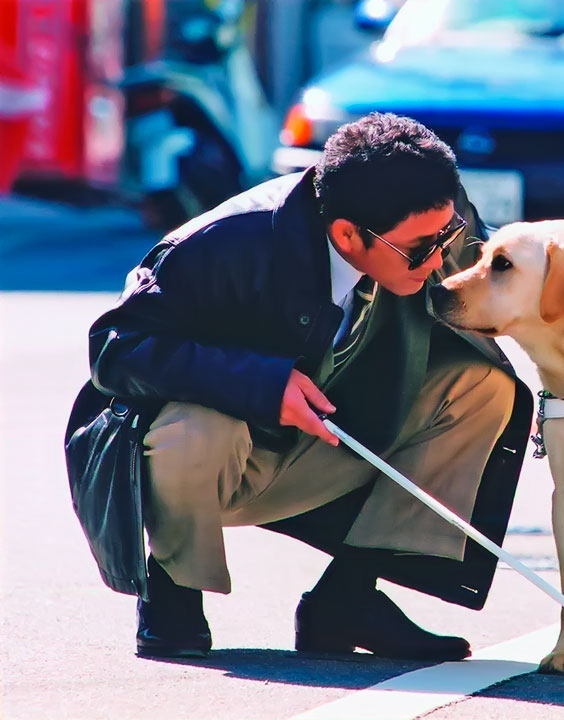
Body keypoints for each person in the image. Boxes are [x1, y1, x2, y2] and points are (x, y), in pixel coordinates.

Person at [64, 113, 531, 660]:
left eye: (447, 235)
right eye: (420, 249)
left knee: (482, 386)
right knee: (197, 427)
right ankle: (173, 591)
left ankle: (347, 600)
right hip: (217, 461)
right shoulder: (225, 242)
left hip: (337, 441)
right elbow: (114, 347)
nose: (438, 262)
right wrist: (261, 383)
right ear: (347, 234)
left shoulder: (429, 215)